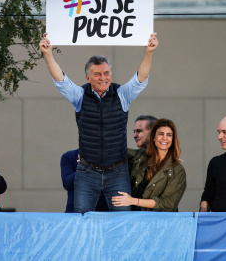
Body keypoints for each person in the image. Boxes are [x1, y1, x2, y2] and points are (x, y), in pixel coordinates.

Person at [40, 32, 159, 213]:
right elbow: (61, 80)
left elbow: (140, 79)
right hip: (87, 172)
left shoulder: (122, 95)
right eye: (97, 74)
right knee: (82, 222)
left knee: (122, 222)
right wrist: (48, 54)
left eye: (106, 73)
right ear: (88, 78)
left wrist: (148, 52)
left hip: (117, 171)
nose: (103, 78)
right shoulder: (79, 95)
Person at [112, 119, 186, 211]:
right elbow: (115, 152)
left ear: (173, 139)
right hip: (132, 219)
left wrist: (133, 201)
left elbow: (168, 203)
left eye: (169, 135)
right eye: (161, 134)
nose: (164, 138)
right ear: (154, 137)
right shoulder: (139, 158)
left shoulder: (177, 170)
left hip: (157, 223)